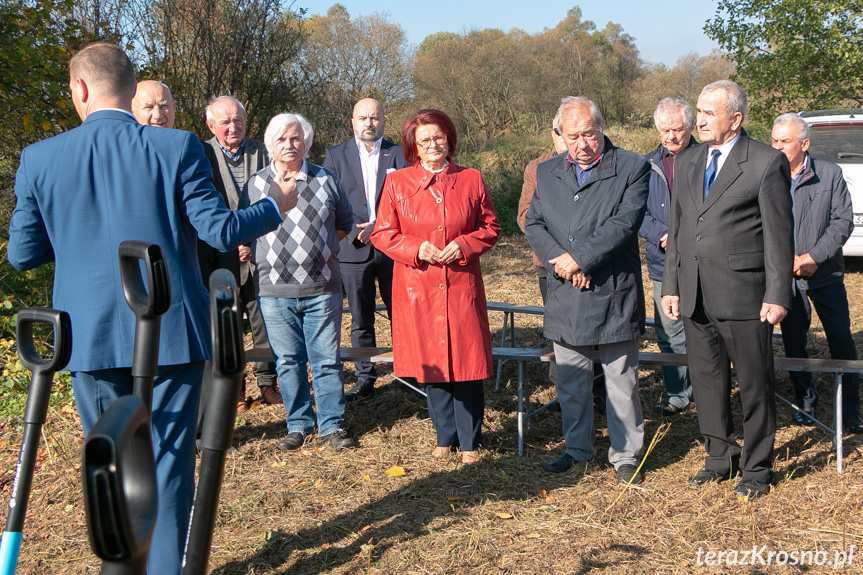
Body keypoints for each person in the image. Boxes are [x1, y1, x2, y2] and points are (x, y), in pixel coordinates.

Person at [6, 42, 297, 574]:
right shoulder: (176, 147)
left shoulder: (40, 158)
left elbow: (22, 254)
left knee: (111, 464)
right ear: (130, 84)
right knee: (168, 465)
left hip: (88, 337)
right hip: (172, 333)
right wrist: (275, 204)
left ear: (80, 89)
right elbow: (220, 230)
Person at [661, 80, 794, 500]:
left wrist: (777, 294)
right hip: (695, 293)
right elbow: (678, 229)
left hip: (745, 295)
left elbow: (779, 237)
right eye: (697, 111)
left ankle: (757, 468)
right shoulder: (687, 161)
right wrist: (671, 283)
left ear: (735, 119)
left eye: (708, 113)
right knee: (706, 381)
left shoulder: (765, 162)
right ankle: (720, 456)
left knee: (754, 384)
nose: (697, 120)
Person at [525, 96, 649, 485]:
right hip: (565, 290)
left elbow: (623, 224)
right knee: (571, 380)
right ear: (560, 136)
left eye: (589, 134)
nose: (582, 143)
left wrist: (581, 259)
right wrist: (561, 260)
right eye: (573, 135)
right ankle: (577, 449)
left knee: (621, 380)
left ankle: (626, 454)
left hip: (612, 289)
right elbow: (533, 223)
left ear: (602, 129)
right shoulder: (547, 172)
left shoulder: (632, 167)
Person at [371, 109, 500, 464]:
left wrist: (465, 244)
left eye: (438, 137)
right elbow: (382, 233)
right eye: (424, 139)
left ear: (449, 139)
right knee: (433, 363)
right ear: (413, 144)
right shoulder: (397, 183)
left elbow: (490, 227)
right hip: (418, 287)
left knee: (467, 363)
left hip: (460, 284)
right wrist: (416, 248)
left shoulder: (471, 178)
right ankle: (445, 435)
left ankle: (471, 441)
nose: (433, 145)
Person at [245, 113, 356, 451]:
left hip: (322, 289)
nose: (289, 145)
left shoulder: (327, 180)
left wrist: (318, 252)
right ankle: (297, 425)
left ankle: (331, 426)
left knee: (325, 360)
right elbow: (247, 230)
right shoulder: (255, 185)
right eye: (281, 140)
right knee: (288, 362)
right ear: (270, 146)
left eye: (295, 139)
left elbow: (345, 224)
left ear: (306, 142)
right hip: (274, 291)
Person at [771, 113, 862, 433]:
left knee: (841, 340)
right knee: (795, 340)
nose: (777, 147)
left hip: (825, 276)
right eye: (774, 140)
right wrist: (784, 261)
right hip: (787, 277)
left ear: (804, 144)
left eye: (785, 141)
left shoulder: (830, 174)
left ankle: (851, 409)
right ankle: (805, 401)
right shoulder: (770, 175)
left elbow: (842, 222)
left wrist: (815, 257)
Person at [198, 95, 282, 408]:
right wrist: (232, 241)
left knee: (264, 322)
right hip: (219, 257)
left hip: (260, 254)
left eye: (238, 120)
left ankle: (267, 382)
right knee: (226, 327)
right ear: (211, 124)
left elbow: (276, 199)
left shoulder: (263, 152)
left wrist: (252, 240)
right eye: (225, 121)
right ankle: (233, 390)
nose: (233, 127)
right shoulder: (201, 154)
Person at [323, 98, 406, 401]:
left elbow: (408, 199)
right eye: (363, 118)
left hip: (394, 246)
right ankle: (365, 377)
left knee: (401, 312)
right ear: (353, 122)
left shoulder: (400, 154)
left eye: (374, 117)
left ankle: (407, 372)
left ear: (384, 120)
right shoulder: (334, 156)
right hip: (352, 247)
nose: (369, 123)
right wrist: (363, 229)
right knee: (360, 317)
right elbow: (331, 200)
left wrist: (379, 226)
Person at [639, 97, 696, 416]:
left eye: (677, 129)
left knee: (705, 329)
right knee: (670, 329)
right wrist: (660, 234)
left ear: (690, 126)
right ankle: (677, 393)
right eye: (665, 130)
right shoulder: (646, 165)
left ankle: (706, 389)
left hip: (703, 260)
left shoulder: (708, 159)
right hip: (663, 263)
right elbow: (636, 212)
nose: (671, 136)